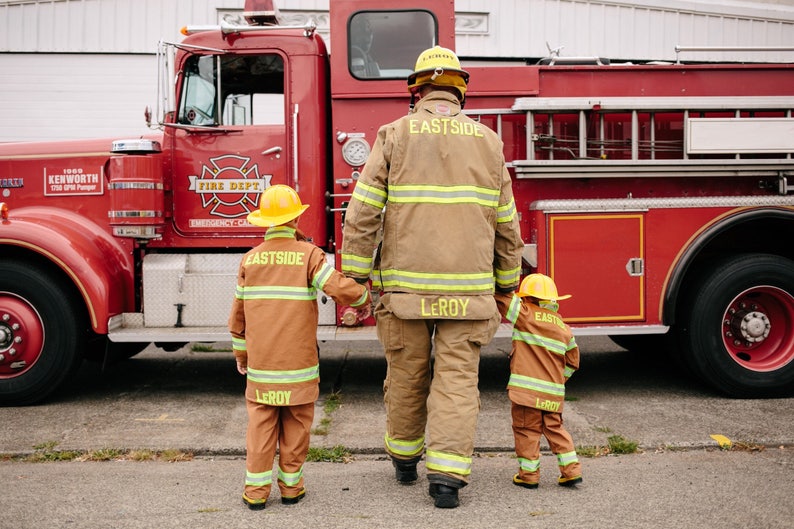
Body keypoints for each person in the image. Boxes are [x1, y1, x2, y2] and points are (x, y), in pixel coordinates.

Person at [340, 46, 524, 508]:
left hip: (404, 293)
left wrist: (356, 280)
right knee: (458, 381)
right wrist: (507, 284)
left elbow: (362, 213)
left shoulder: (393, 134)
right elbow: (506, 222)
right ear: (460, 90)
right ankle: (447, 481)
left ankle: (404, 461)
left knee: (406, 373)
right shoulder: (488, 141)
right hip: (471, 294)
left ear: (416, 90)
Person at [229, 184, 371, 510]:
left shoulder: (250, 260)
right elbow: (335, 286)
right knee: (296, 426)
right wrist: (363, 297)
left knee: (261, 428)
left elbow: (237, 318)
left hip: (262, 368)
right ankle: (292, 489)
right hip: (299, 368)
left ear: (265, 221)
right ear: (295, 219)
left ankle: (256, 493)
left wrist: (241, 354)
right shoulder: (309, 255)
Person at [494, 273, 582, 489]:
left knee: (527, 430)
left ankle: (529, 476)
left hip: (526, 394)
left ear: (529, 299)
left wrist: (496, 280)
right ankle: (571, 471)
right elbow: (573, 362)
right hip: (553, 394)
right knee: (555, 429)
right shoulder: (564, 328)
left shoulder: (525, 314)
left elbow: (504, 299)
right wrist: (558, 380)